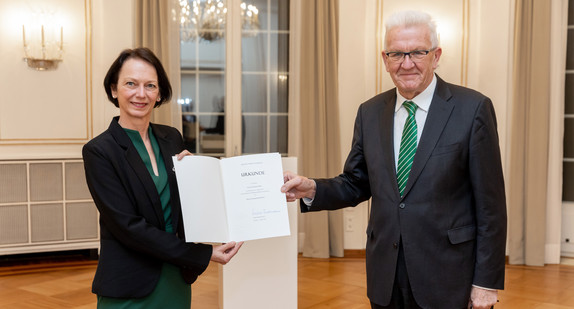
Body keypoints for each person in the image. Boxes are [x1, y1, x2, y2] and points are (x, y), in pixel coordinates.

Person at [282, 10, 506, 309]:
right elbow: (356, 182)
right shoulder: (370, 112)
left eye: (418, 52)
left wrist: (486, 283)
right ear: (385, 59)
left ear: (436, 55)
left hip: (448, 276)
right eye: (397, 54)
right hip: (385, 275)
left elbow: (491, 207)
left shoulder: (473, 109)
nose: (407, 63)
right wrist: (311, 188)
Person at [83, 47, 242, 308]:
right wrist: (203, 254)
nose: (141, 94)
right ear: (114, 89)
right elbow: (128, 228)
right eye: (131, 84)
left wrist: (196, 176)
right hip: (130, 284)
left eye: (150, 86)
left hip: (175, 276)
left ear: (159, 94)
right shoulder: (100, 151)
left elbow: (183, 209)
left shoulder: (172, 139)